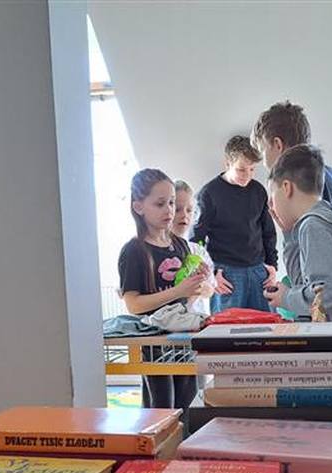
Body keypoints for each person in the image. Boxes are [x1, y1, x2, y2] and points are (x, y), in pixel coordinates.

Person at [118, 169, 205, 409]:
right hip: (153, 342)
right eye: (160, 204)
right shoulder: (134, 251)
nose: (169, 210)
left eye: (172, 203)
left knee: (188, 403)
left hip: (182, 337)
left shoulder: (180, 245)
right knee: (162, 407)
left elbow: (185, 299)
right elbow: (134, 305)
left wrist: (195, 284)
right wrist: (178, 292)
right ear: (139, 207)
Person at [263, 145, 332, 321]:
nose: (272, 205)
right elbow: (302, 283)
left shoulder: (315, 226)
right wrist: (289, 236)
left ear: (286, 188)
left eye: (272, 195)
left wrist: (287, 298)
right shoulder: (325, 216)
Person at [192, 136, 277, 312]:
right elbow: (195, 240)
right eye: (241, 170)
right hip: (226, 274)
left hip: (259, 271)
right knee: (226, 327)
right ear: (227, 164)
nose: (248, 175)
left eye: (252, 169)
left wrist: (273, 266)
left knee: (268, 325)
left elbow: (268, 232)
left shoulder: (258, 190)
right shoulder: (208, 194)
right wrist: (210, 275)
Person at [251, 100, 332, 225]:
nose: (264, 163)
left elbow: (316, 235)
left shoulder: (305, 184)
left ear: (278, 145)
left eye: (262, 150)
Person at [170, 180, 215, 316]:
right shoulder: (154, 249)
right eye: (178, 209)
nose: (185, 215)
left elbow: (210, 290)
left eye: (189, 210)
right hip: (168, 320)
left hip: (197, 320)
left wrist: (199, 284)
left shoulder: (198, 251)